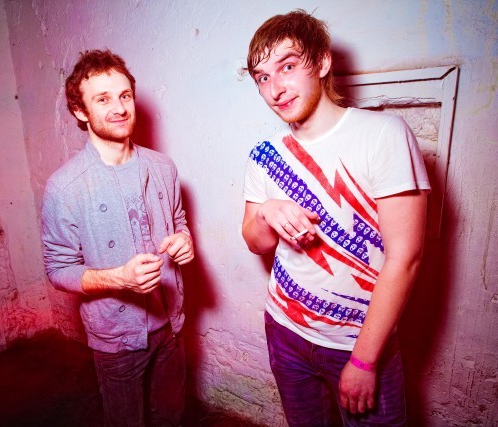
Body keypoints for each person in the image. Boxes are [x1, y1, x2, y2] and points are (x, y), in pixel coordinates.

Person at [241, 10, 430, 426]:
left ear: (323, 62)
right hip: (285, 330)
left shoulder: (383, 134)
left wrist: (364, 361)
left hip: (358, 343)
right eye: (262, 77)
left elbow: (405, 258)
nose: (275, 89)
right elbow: (255, 242)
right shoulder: (265, 153)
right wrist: (268, 213)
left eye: (287, 67)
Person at [41, 49, 194, 427]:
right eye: (103, 99)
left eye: (125, 96)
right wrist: (120, 278)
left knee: (171, 416)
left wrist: (184, 240)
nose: (119, 108)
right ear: (80, 111)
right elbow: (58, 270)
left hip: (171, 325)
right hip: (116, 339)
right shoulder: (65, 187)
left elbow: (178, 221)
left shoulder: (163, 167)